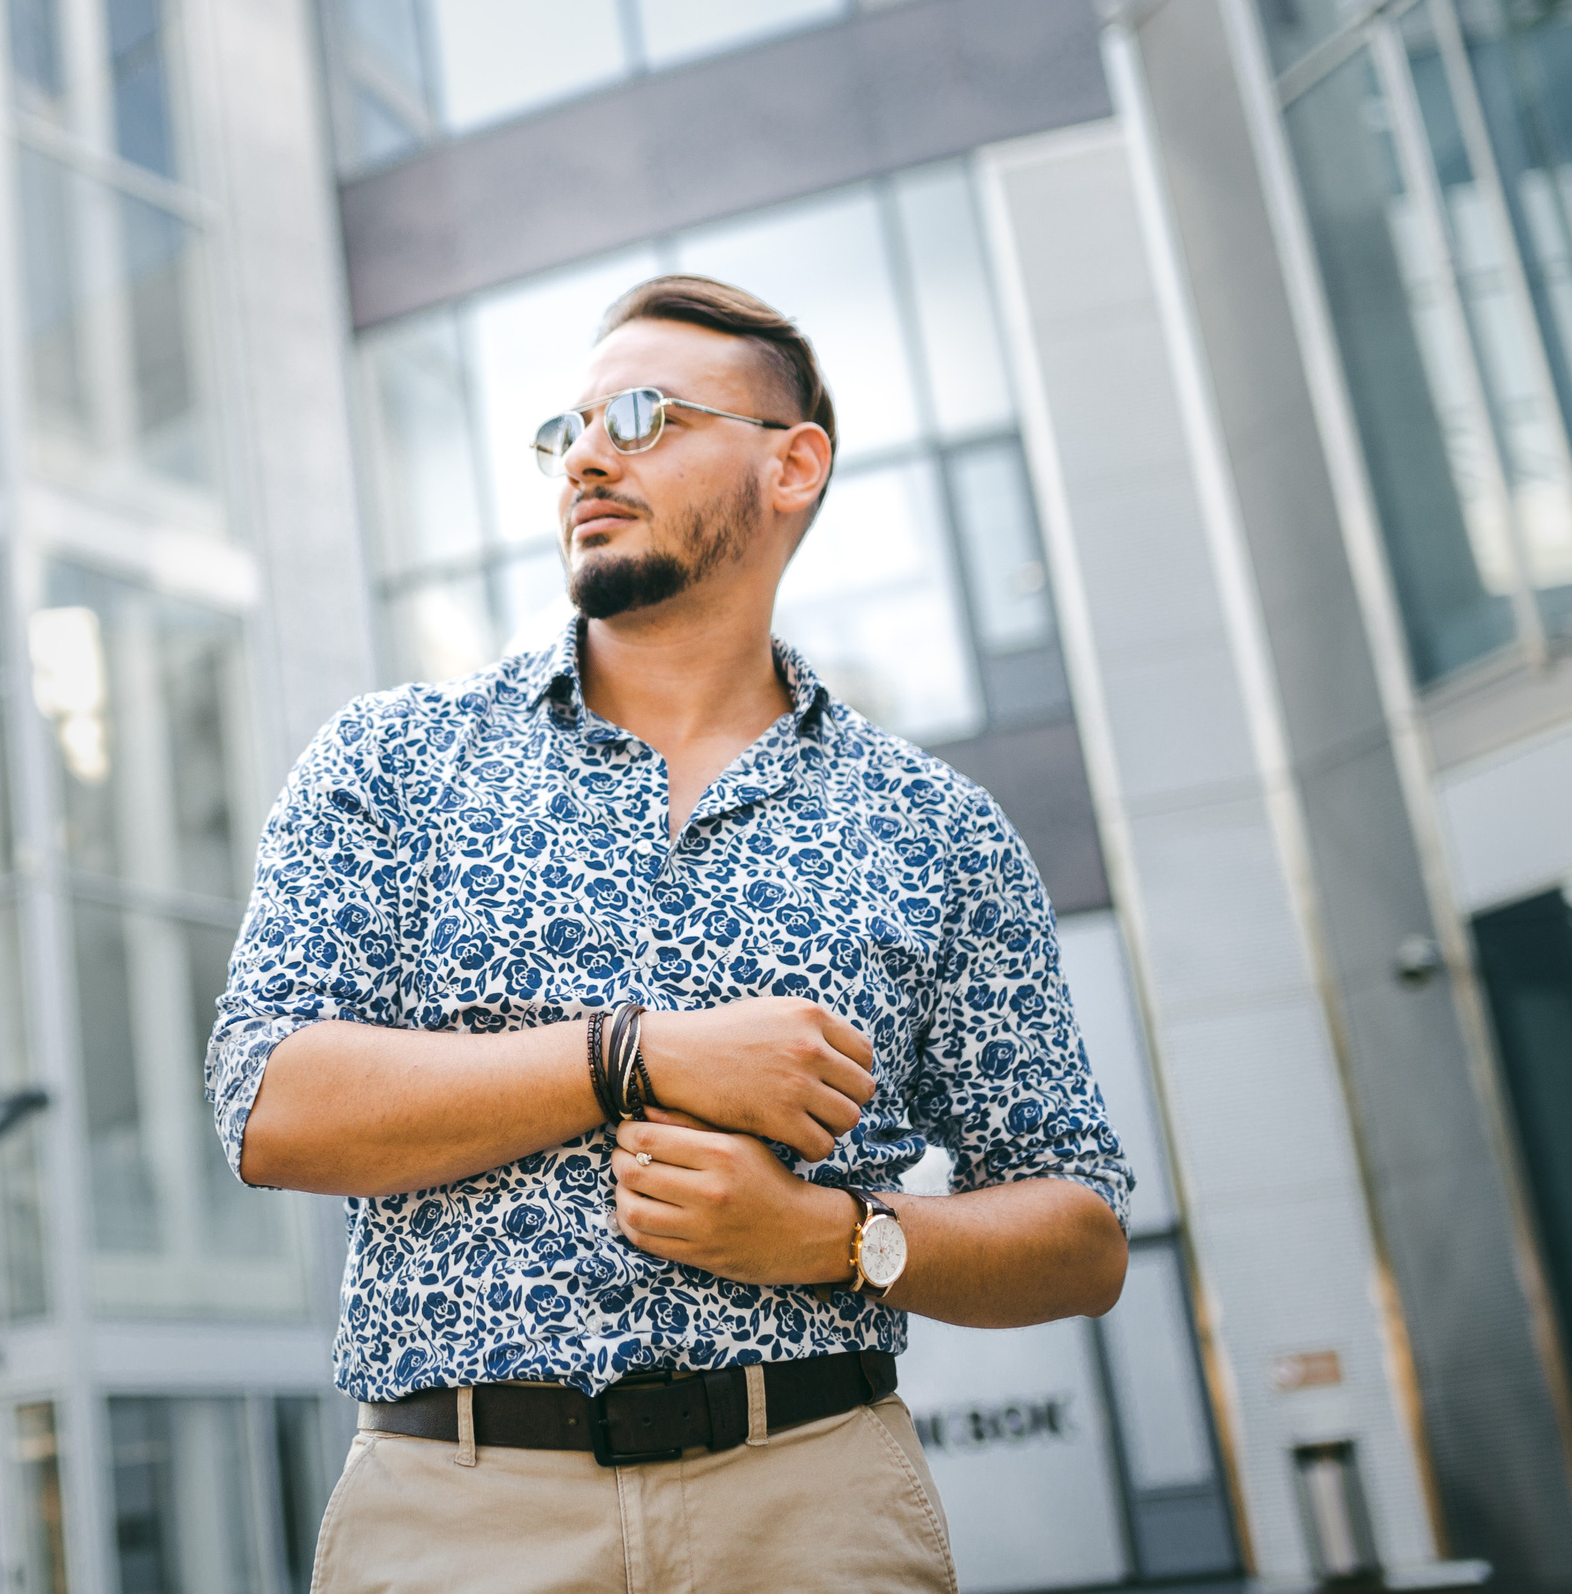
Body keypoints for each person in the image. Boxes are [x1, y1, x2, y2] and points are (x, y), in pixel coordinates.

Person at [206, 275, 1133, 1592]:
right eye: (569, 429)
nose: (587, 454)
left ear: (791, 466)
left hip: (814, 1509)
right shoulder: (392, 763)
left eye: (642, 417)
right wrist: (634, 1056)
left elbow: (1083, 1227)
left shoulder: (938, 827)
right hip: (457, 1521)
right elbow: (267, 1103)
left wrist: (838, 1236)